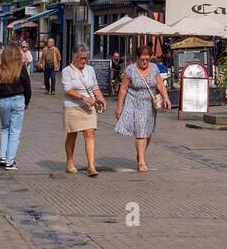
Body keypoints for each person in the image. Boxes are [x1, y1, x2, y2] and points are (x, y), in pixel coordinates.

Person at [115, 46, 171, 172]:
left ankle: (140, 154)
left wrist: (166, 97)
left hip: (150, 104)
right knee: (141, 131)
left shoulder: (154, 68)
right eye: (142, 59)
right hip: (134, 102)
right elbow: (123, 89)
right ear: (137, 58)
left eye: (147, 59)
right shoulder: (130, 70)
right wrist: (119, 107)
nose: (145, 62)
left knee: (148, 132)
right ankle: (141, 161)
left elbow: (160, 84)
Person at [63, 45, 106, 176]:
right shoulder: (67, 71)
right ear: (75, 58)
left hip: (89, 107)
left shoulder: (90, 70)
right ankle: (70, 161)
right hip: (73, 106)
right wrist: (83, 97)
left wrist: (101, 98)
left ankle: (91, 166)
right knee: (72, 134)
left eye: (86, 58)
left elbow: (95, 87)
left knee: (90, 133)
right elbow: (68, 89)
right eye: (82, 58)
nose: (84, 61)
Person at [0, 45, 32, 170]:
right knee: (15, 131)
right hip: (18, 99)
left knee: (5, 129)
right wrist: (27, 102)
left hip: (3, 100)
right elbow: (27, 87)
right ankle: (10, 161)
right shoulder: (22, 68)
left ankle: (3, 157)